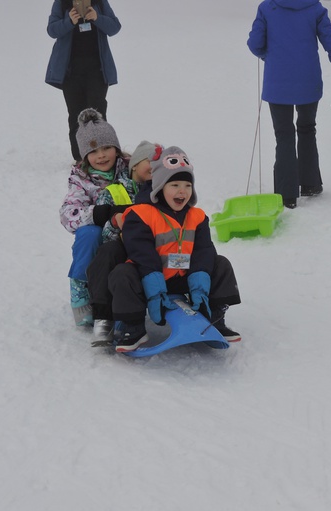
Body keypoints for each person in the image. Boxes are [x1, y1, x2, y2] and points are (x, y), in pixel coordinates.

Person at [106, 146, 242, 352]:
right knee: (122, 274)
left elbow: (203, 251)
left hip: (184, 276)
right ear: (160, 187)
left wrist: (198, 286)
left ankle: (215, 318)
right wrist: (154, 288)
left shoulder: (197, 217)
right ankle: (132, 327)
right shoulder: (141, 213)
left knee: (221, 263)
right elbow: (141, 252)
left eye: (188, 185)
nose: (182, 191)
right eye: (175, 185)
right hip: (149, 276)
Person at [247, 0, 331, 209]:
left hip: (278, 84)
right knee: (307, 128)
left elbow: (255, 43)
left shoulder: (267, 7)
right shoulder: (314, 8)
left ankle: (287, 194)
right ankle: (310, 183)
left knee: (284, 133)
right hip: (308, 81)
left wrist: (269, 56)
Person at [60, 108, 131, 326]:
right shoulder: (81, 178)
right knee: (88, 234)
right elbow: (68, 214)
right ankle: (80, 287)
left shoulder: (130, 169)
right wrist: (99, 214)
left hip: (128, 229)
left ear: (117, 149)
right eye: (93, 151)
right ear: (84, 156)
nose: (101, 155)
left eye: (107, 148)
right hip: (101, 232)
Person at [86, 140, 160, 347]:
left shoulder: (163, 191)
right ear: (135, 164)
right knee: (107, 253)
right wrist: (115, 222)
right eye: (151, 161)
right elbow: (103, 235)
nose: (156, 167)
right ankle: (103, 318)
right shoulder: (112, 191)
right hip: (123, 245)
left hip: (154, 248)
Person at [45, 0, 121, 162]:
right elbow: (52, 30)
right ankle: (81, 159)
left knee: (97, 115)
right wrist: (69, 21)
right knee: (75, 116)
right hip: (71, 72)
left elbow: (115, 27)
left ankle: (105, 158)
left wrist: (97, 17)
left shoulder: (100, 2)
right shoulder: (61, 3)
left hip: (97, 71)